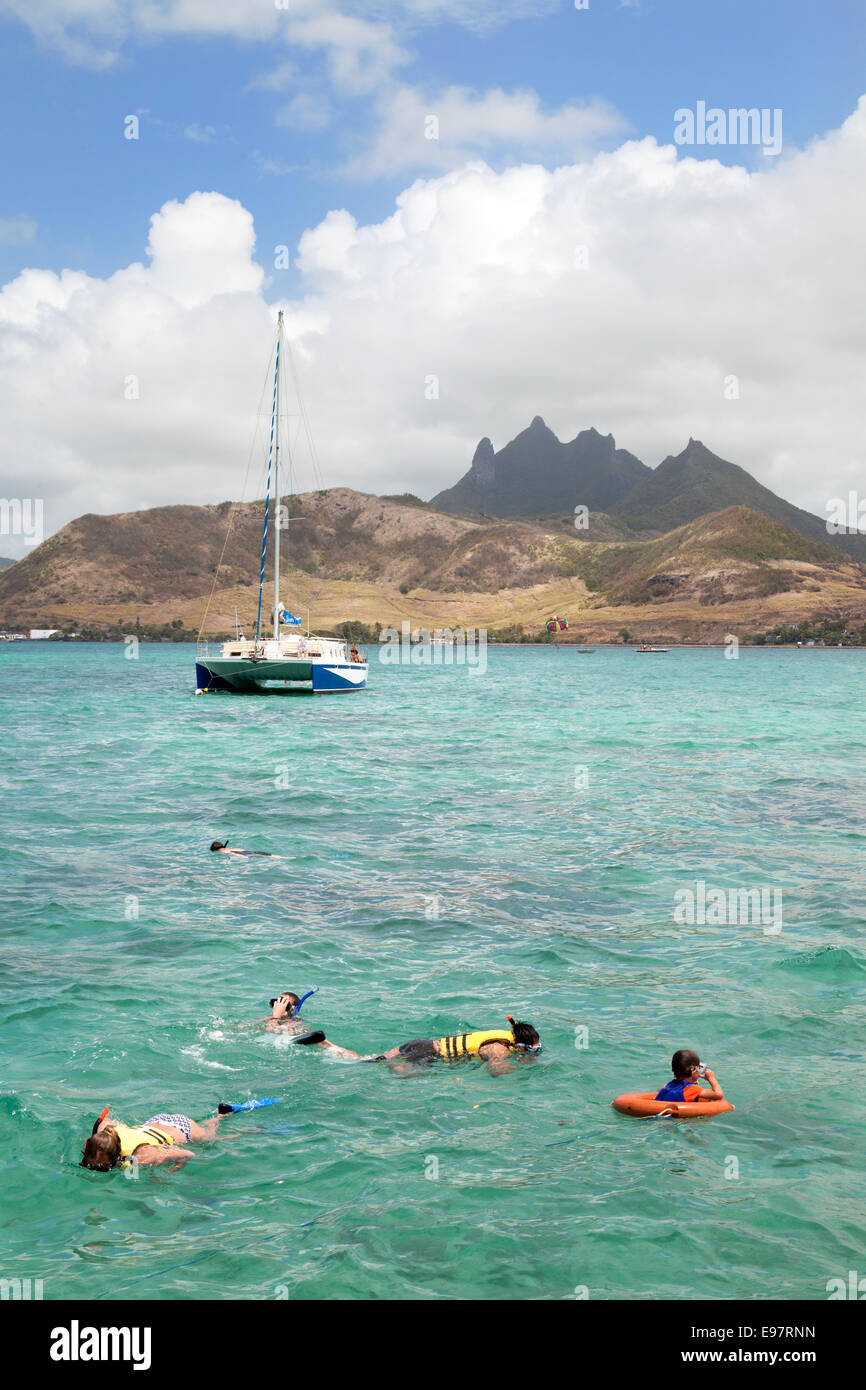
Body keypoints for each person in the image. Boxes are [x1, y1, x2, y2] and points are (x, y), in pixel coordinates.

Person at [369, 1017, 541, 1075]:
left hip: (421, 1044)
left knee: (370, 1060)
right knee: (404, 1074)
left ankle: (375, 1059)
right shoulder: (499, 1048)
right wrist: (521, 1065)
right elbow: (494, 1071)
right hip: (426, 1052)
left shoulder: (506, 1037)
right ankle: (385, 1062)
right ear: (519, 1046)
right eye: (533, 1049)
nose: (536, 1051)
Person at [81, 1107, 226, 1172]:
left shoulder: (142, 1155)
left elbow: (188, 1154)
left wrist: (171, 1171)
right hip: (154, 1122)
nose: (94, 1168)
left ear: (116, 1157)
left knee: (210, 1140)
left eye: (101, 1167)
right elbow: (105, 1120)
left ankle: (219, 1117)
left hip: (183, 1128)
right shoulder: (99, 1139)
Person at [267, 990, 360, 1059]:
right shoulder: (268, 1018)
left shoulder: (295, 1021)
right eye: (277, 1002)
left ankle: (359, 1058)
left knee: (326, 1044)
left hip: (294, 1042)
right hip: (279, 1042)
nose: (279, 1006)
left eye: (285, 1004)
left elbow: (272, 1030)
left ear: (293, 1009)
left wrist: (276, 1017)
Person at [654, 1050, 725, 1104]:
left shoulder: (668, 1085)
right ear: (694, 1072)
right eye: (699, 1069)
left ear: (673, 1070)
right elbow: (718, 1094)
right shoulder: (693, 1089)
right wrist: (711, 1079)